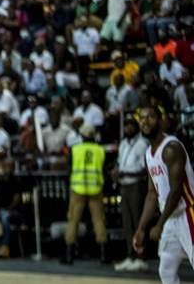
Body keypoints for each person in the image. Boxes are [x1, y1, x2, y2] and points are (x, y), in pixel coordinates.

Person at [133, 106, 194, 283]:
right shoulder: (148, 154)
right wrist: (141, 228)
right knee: (166, 269)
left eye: (150, 117)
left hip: (188, 213)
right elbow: (152, 194)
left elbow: (176, 192)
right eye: (142, 118)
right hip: (171, 217)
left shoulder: (171, 148)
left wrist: (159, 224)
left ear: (160, 121)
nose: (145, 121)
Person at [61, 123, 109, 265]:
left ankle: (69, 255)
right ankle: (103, 255)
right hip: (96, 189)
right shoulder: (100, 150)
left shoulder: (75, 150)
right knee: (99, 221)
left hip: (78, 189)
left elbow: (69, 168)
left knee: (73, 221)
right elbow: (104, 168)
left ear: (82, 136)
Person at [112, 116, 149, 272]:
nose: (128, 128)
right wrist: (116, 172)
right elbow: (120, 162)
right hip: (124, 186)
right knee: (127, 223)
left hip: (136, 186)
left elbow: (145, 170)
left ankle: (141, 256)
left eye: (131, 125)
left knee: (138, 221)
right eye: (126, 125)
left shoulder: (142, 144)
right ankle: (131, 255)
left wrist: (125, 174)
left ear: (136, 128)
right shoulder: (123, 144)